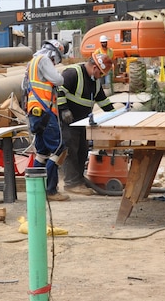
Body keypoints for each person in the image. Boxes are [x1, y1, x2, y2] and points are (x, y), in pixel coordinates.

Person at [59, 51, 116, 196]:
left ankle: (79, 181)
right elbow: (58, 91)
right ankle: (71, 183)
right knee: (70, 150)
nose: (101, 77)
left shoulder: (95, 82)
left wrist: (115, 115)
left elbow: (103, 101)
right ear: (95, 67)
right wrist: (64, 109)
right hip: (67, 121)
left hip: (82, 122)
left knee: (82, 151)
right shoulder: (73, 73)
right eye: (101, 73)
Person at [24, 38, 69, 201]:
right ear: (54, 54)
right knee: (59, 149)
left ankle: (37, 190)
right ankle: (51, 191)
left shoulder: (32, 64)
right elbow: (59, 80)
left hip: (35, 112)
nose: (55, 63)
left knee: (42, 153)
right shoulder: (43, 60)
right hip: (45, 112)